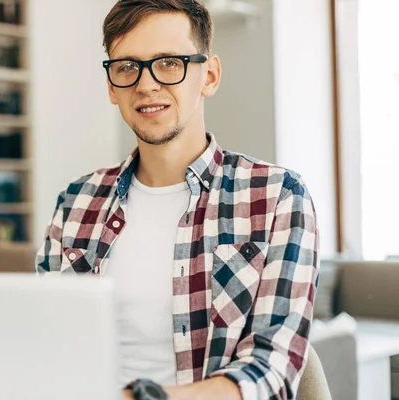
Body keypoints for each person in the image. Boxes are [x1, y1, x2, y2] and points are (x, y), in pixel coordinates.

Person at [36, 1, 319, 399]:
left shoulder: (276, 196)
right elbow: (46, 346)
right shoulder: (75, 202)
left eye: (169, 62)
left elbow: (269, 371)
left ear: (210, 75)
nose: (146, 84)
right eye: (127, 67)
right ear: (111, 86)